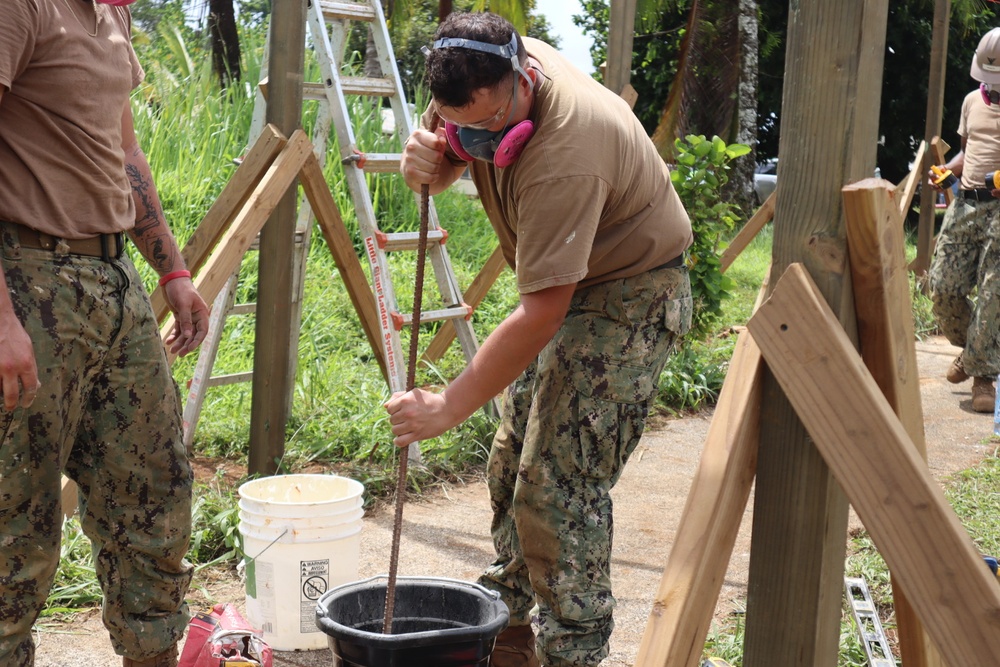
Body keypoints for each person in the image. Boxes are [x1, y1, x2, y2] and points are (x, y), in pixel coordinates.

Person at [388, 12, 693, 667]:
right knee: (509, 464)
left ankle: (573, 652)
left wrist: (445, 405)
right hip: (575, 276)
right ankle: (510, 627)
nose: (471, 135)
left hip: (630, 290)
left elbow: (541, 313)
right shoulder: (477, 72)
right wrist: (440, 160)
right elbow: (455, 146)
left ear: (524, 79)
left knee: (558, 482)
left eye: (486, 125)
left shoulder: (567, 152)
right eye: (454, 120)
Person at [0, 1, 210, 665]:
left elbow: (124, 151)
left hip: (114, 277)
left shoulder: (109, 18)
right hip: (28, 277)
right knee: (16, 518)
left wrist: (171, 268)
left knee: (154, 489)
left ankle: (150, 654)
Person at [928, 26, 1000, 414]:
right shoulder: (972, 101)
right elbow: (965, 153)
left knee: (993, 296)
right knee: (943, 288)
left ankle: (982, 378)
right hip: (965, 206)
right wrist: (946, 173)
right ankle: (973, 352)